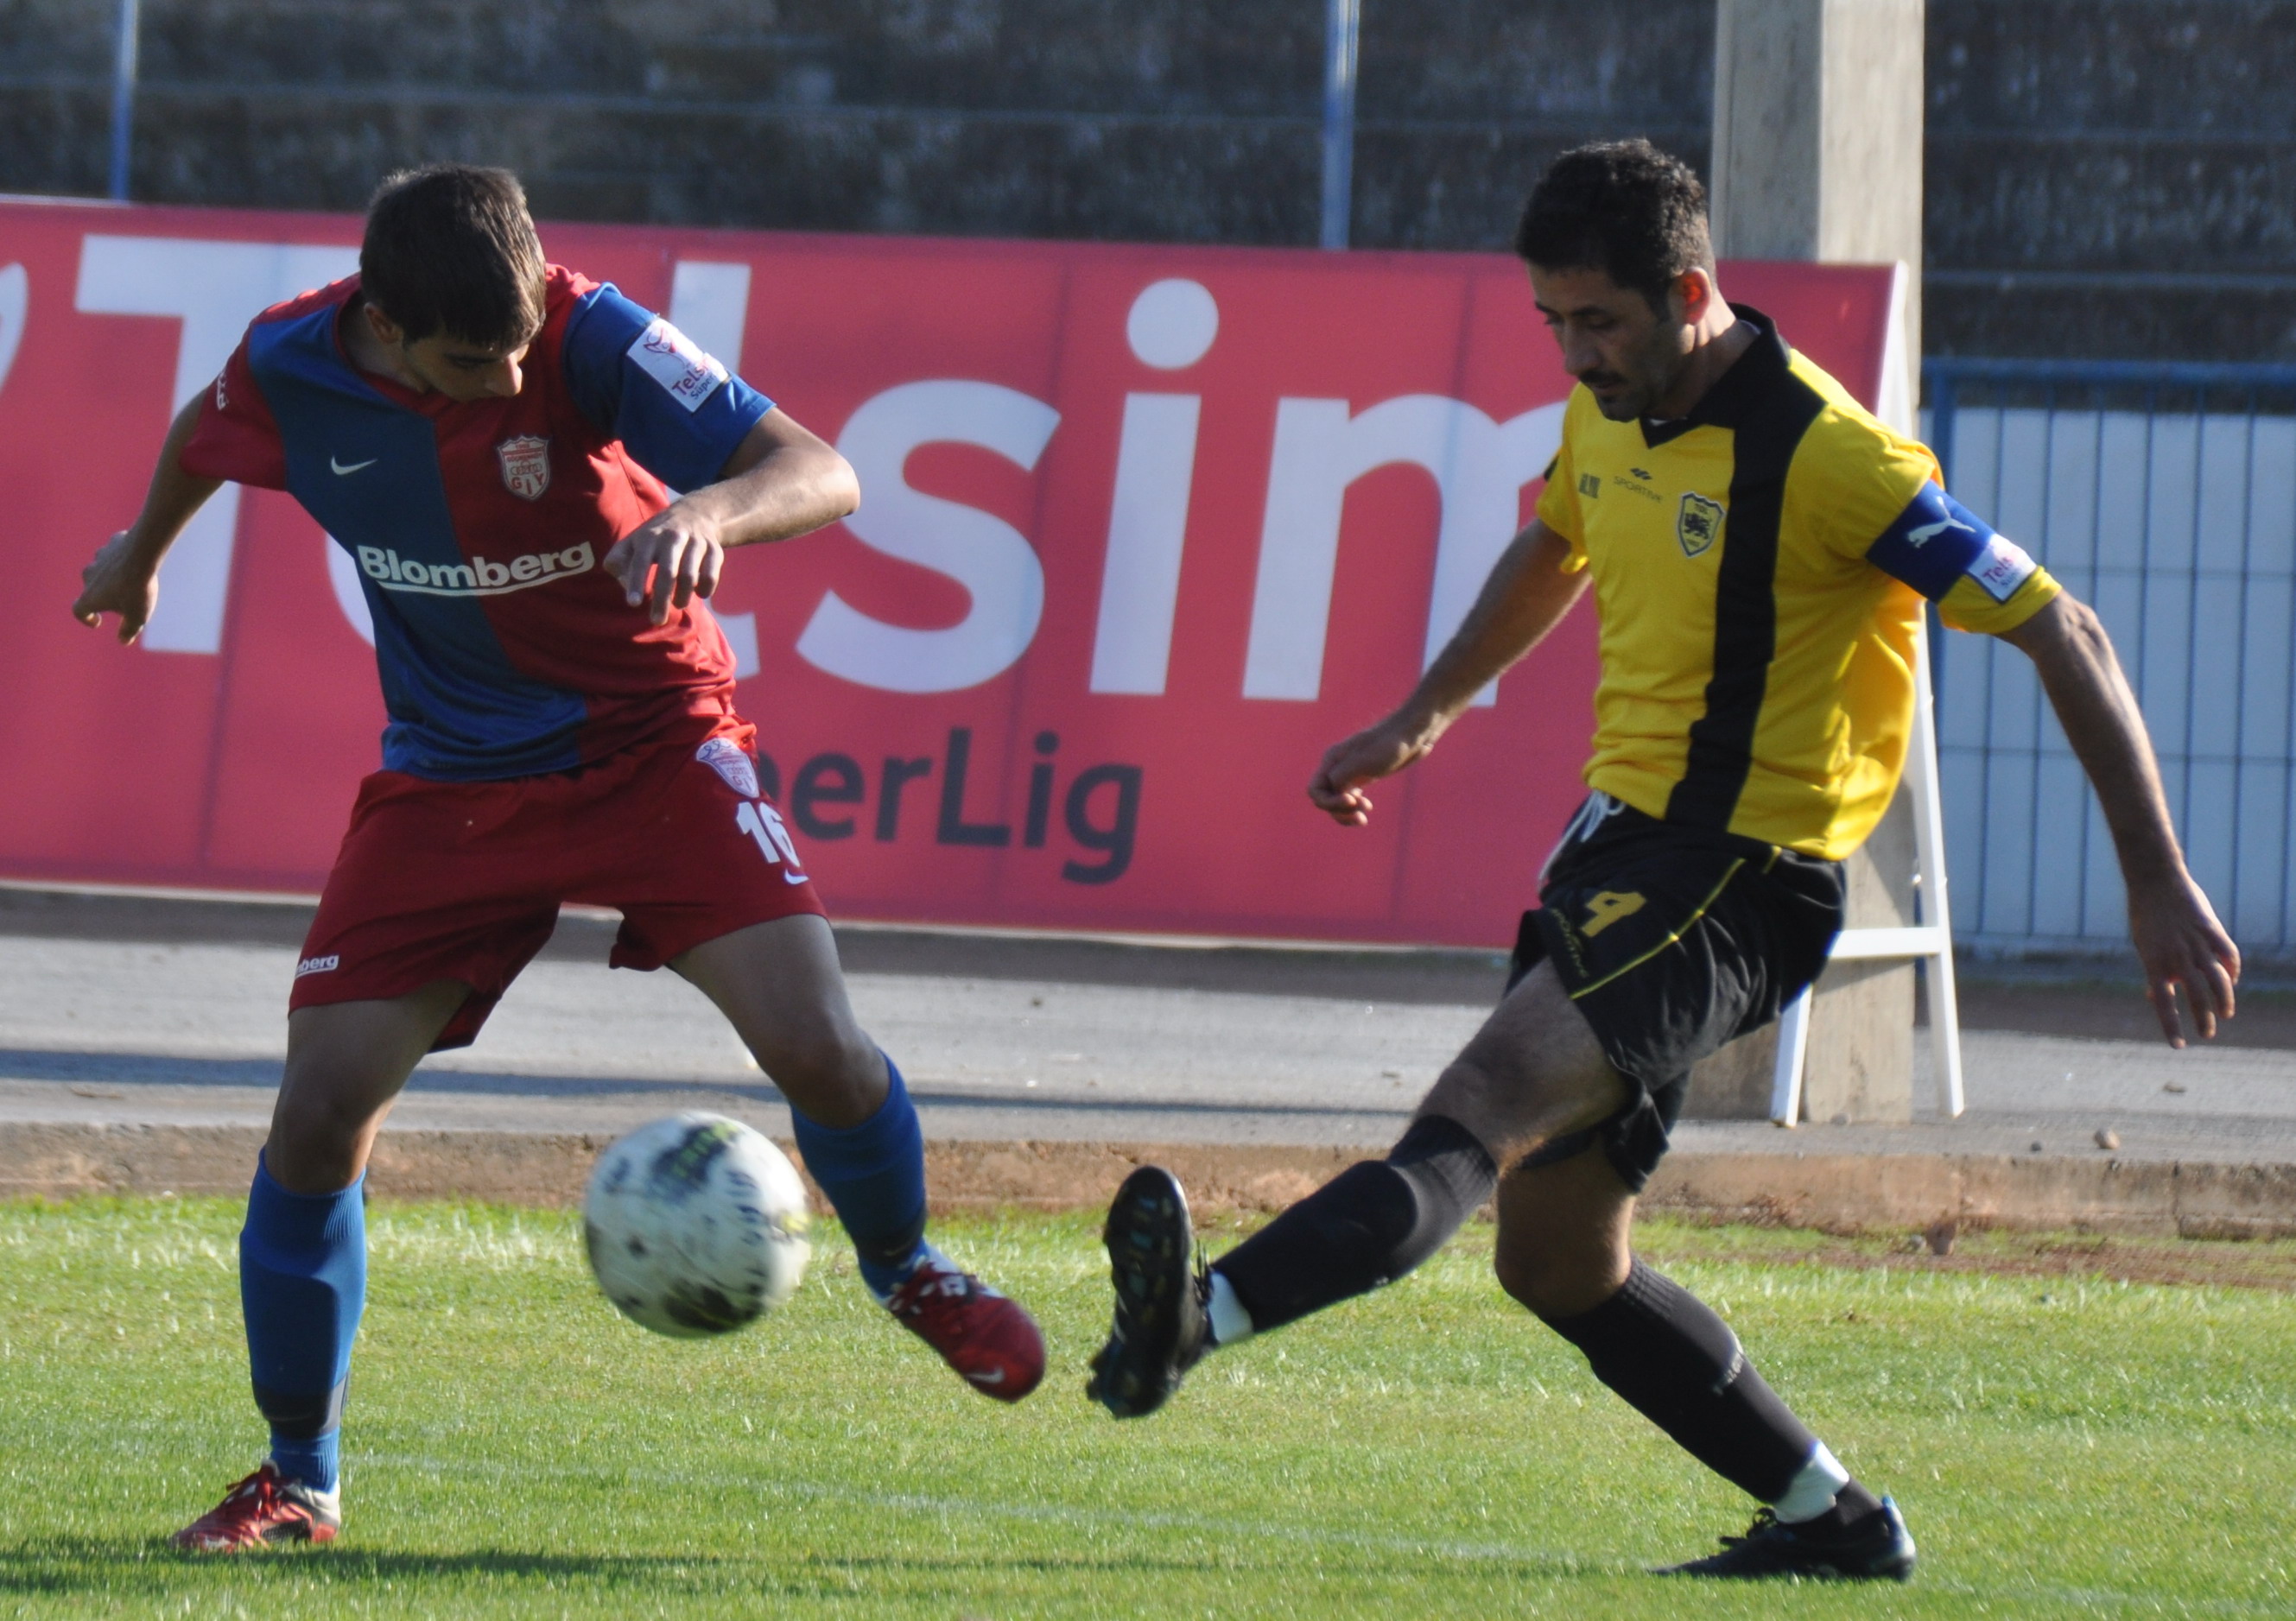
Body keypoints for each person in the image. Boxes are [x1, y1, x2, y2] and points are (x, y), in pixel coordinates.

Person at [1085, 140, 2239, 1581]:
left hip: (1741, 875)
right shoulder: (1606, 414)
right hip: (1619, 855)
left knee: (1482, 1101)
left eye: (1601, 323)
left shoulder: (1833, 456)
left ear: (1688, 291)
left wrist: (2151, 875)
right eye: (1552, 324)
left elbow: (2061, 628)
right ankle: (1833, 1518)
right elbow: (1552, 546)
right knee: (1557, 1258)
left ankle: (1200, 1317)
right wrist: (1419, 715)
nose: (1575, 355)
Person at [71, 164, 1047, 1554]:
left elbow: (820, 467)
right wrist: (141, 554)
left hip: (654, 742)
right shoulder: (290, 357)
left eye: (524, 339)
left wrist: (707, 512)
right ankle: (299, 1481)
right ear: (387, 326)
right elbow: (204, 432)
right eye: (478, 361)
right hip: (451, 780)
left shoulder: (590, 334)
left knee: (817, 1045)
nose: (514, 372)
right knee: (317, 1111)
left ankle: (909, 1272)